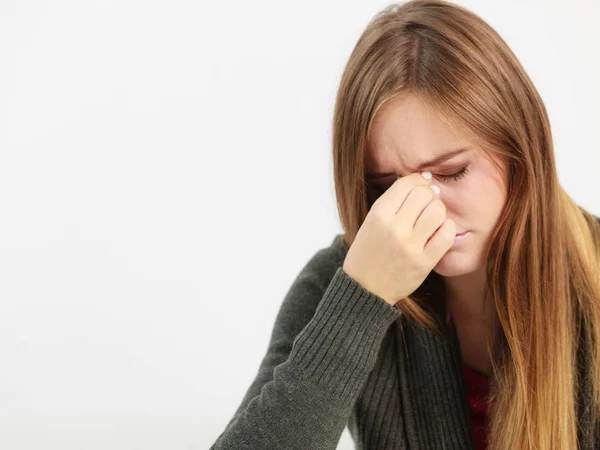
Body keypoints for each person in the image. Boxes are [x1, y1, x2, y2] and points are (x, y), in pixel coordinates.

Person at [210, 1, 600, 449]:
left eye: (451, 171)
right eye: (385, 186)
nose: (419, 208)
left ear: (520, 149)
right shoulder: (341, 282)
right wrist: (360, 302)